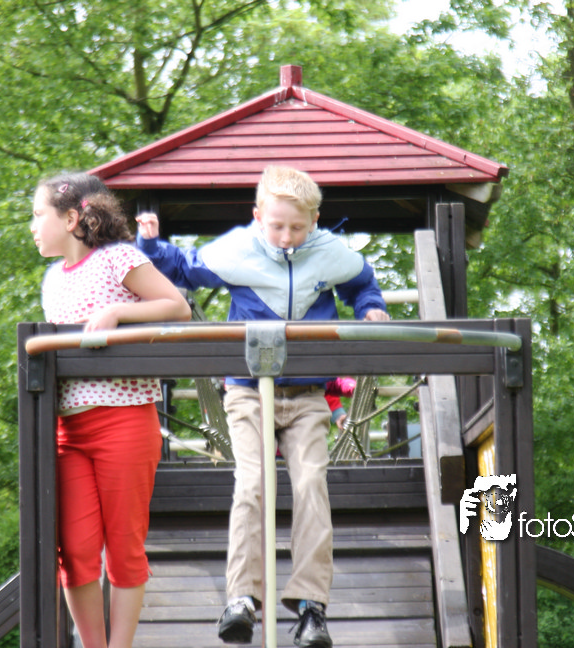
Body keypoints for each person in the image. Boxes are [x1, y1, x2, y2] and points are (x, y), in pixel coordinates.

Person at [136, 165, 389, 648]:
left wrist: (369, 308)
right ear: (257, 217)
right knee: (252, 485)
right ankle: (241, 599)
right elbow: (183, 267)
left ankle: (311, 606)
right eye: (276, 226)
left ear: (315, 221)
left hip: (308, 396)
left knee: (311, 485)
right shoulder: (238, 250)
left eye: (297, 227)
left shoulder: (329, 253)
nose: (286, 237)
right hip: (249, 392)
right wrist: (150, 245)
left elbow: (363, 283)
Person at [29, 171, 192, 648]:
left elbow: (176, 306)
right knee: (75, 553)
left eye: (38, 215)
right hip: (67, 431)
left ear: (71, 219)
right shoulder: (52, 279)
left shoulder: (118, 257)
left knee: (124, 548)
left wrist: (119, 312)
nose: (32, 227)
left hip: (125, 421)